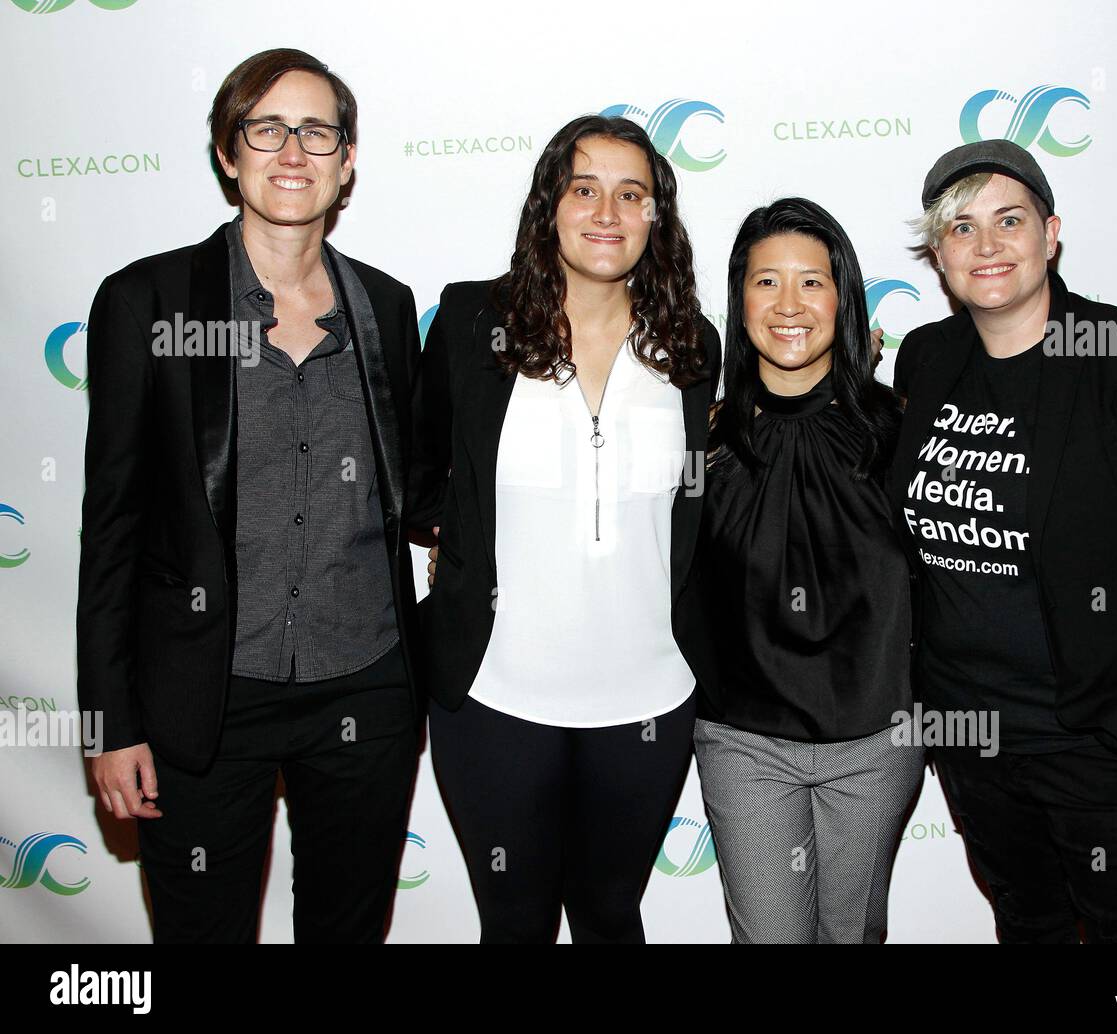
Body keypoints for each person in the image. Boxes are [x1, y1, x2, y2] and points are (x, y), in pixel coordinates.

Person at [78, 48, 426, 943]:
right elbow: (111, 526)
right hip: (204, 697)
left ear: (348, 160)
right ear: (229, 154)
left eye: (317, 132)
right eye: (265, 129)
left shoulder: (386, 308)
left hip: (365, 687)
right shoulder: (146, 302)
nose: (292, 152)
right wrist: (110, 721)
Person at [890, 139, 1117, 942]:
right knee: (1029, 929)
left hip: (1109, 749)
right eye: (960, 228)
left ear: (1050, 233)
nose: (986, 246)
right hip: (975, 741)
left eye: (1008, 221)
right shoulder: (928, 359)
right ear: (938, 253)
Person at [410, 114, 721, 943]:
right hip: (495, 696)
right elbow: (418, 472)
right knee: (513, 922)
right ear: (550, 204)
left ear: (658, 216)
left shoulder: (692, 346)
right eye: (584, 189)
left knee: (611, 914)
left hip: (648, 699)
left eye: (632, 194)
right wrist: (463, 542)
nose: (607, 212)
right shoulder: (473, 323)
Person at [693, 198, 923, 943]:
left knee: (852, 936)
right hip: (742, 742)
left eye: (811, 282)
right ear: (740, 300)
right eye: (766, 283)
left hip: (873, 743)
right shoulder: (705, 438)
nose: (788, 305)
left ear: (842, 297)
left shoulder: (898, 429)